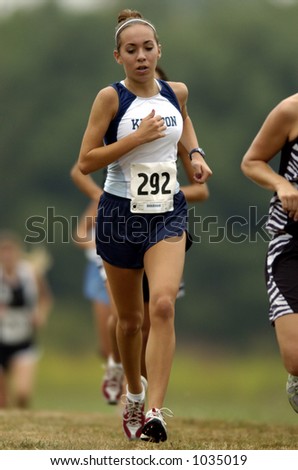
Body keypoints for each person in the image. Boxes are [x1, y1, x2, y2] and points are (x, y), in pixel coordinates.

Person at [76, 8, 212, 442]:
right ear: (118, 56)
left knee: (164, 305)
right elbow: (86, 161)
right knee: (130, 321)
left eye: (148, 48)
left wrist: (194, 155)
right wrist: (136, 138)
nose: (141, 56)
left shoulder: (177, 92)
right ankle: (133, 392)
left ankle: (155, 410)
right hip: (119, 214)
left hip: (167, 211)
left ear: (159, 51)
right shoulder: (110, 99)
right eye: (131, 50)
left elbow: (184, 122)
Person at [241, 93, 298, 413]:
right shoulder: (290, 111)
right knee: (295, 359)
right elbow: (251, 161)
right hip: (289, 243)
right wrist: (281, 184)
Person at [73, 198, 124, 404]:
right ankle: (115, 375)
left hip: (127, 267)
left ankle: (128, 398)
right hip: (98, 269)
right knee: (106, 346)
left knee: (128, 328)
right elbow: (79, 235)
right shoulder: (101, 200)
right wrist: (99, 242)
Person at [0, 231, 53, 408]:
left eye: (11, 251)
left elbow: (45, 298)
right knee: (2, 401)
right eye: (4, 252)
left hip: (24, 340)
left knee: (23, 394)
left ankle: (23, 423)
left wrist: (41, 314)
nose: (7, 256)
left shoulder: (30, 273)